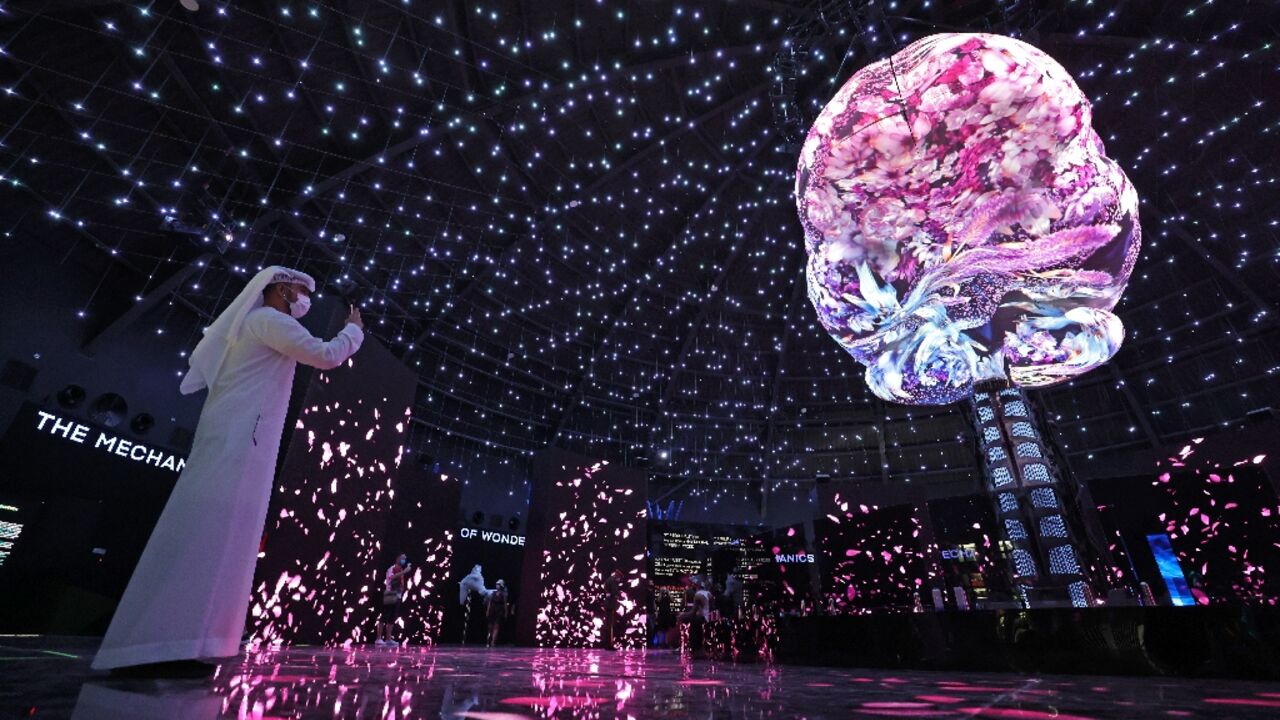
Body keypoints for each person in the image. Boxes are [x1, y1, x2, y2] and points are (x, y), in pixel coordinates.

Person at [91, 266, 364, 673]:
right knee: (207, 536)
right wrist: (354, 331)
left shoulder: (255, 324)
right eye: (301, 290)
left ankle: (185, 642)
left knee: (218, 543)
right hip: (239, 440)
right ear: (282, 289)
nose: (306, 299)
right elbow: (325, 355)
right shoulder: (268, 321)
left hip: (238, 438)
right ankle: (157, 645)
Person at [377, 553, 411, 647]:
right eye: (402, 558)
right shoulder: (391, 568)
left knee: (392, 618)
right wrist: (404, 572)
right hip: (390, 593)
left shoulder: (400, 570)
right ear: (397, 559)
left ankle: (388, 639)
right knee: (385, 616)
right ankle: (379, 638)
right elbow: (391, 578)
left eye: (405, 559)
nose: (403, 560)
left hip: (398, 595)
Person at [602, 569, 624, 648]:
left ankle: (607, 644)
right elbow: (614, 591)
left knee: (608, 624)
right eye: (619, 579)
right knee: (610, 625)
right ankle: (609, 645)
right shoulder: (613, 581)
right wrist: (618, 594)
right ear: (617, 576)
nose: (619, 581)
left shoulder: (608, 580)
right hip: (610, 604)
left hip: (608, 604)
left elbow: (606, 589)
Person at [485, 579, 508, 647]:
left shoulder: (503, 594)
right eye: (496, 584)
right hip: (492, 610)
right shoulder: (493, 593)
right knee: (490, 626)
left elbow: (505, 604)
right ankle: (488, 640)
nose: (497, 585)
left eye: (498, 584)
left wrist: (506, 612)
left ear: (501, 586)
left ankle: (493, 641)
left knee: (496, 626)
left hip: (499, 611)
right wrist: (487, 611)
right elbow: (490, 603)